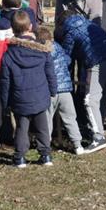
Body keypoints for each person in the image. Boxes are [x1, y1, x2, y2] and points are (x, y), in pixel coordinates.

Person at [56, 10, 106, 153]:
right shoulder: (89, 23)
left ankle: (98, 137)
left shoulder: (70, 30)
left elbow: (66, 57)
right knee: (103, 98)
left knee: (90, 100)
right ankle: (99, 130)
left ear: (62, 23)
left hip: (97, 61)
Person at [0, 11, 57, 168]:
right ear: (31, 27)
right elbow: (50, 73)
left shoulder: (9, 55)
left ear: (12, 29)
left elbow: (5, 81)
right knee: (42, 127)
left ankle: (20, 157)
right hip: (40, 96)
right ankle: (45, 155)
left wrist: (5, 101)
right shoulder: (42, 51)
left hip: (19, 99)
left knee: (21, 129)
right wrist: (53, 90)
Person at [0, 0, 37, 150]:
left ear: (3, 4)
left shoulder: (2, 23)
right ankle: (31, 132)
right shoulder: (29, 15)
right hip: (28, 63)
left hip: (6, 66)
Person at [36, 26, 84, 156]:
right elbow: (68, 61)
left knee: (47, 118)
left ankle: (46, 145)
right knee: (70, 118)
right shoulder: (59, 47)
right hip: (66, 90)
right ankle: (78, 144)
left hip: (49, 91)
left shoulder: (40, 52)